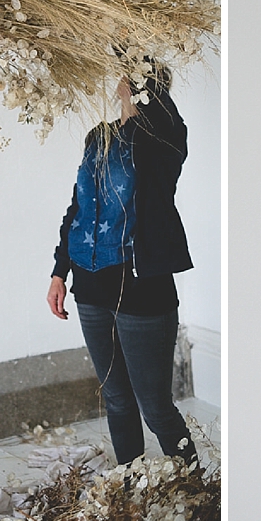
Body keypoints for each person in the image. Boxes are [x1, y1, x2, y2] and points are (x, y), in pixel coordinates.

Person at [48, 70, 200, 468]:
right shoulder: (98, 136)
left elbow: (164, 117)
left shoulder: (161, 137)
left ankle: (194, 493)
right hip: (90, 286)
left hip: (142, 289)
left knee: (156, 408)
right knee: (116, 399)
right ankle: (130, 487)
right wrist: (59, 271)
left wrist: (144, 78)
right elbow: (78, 206)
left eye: (129, 72)